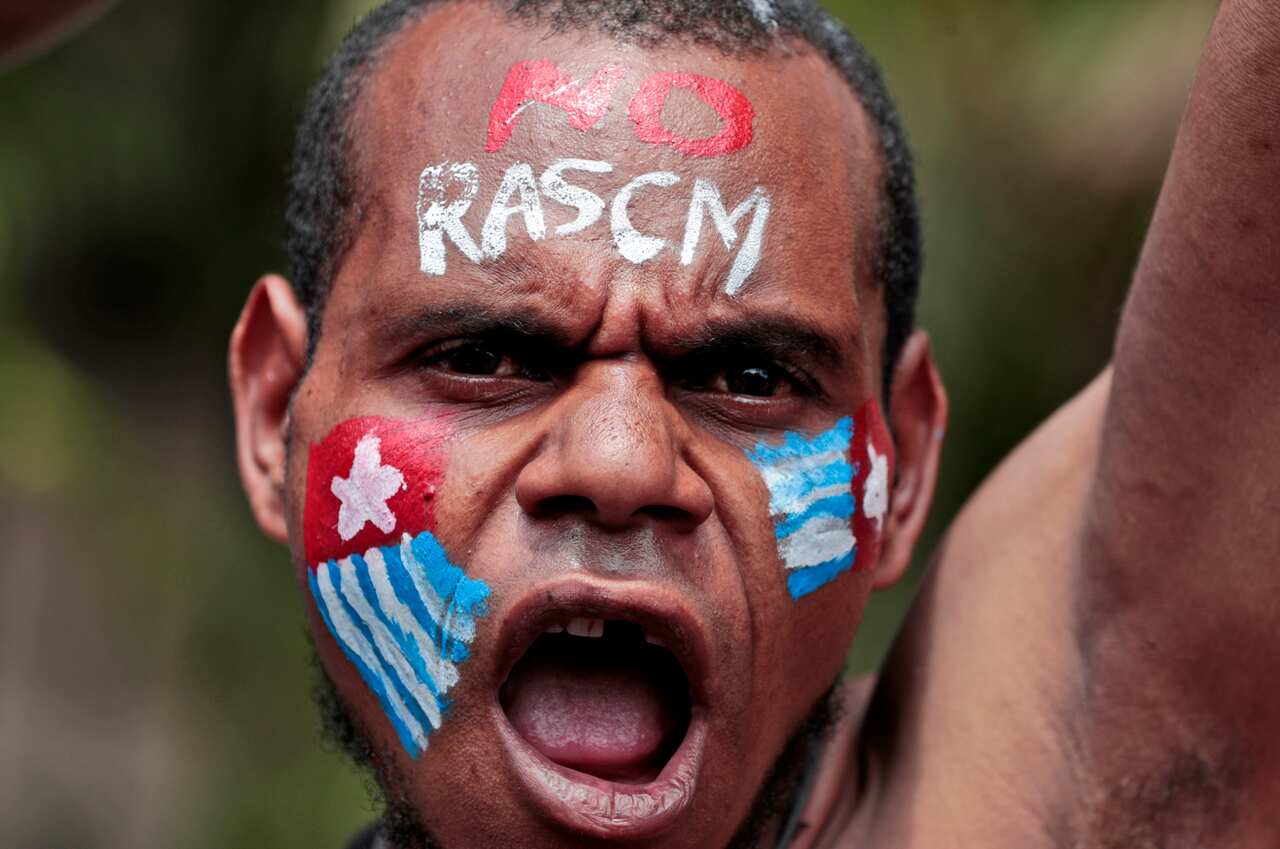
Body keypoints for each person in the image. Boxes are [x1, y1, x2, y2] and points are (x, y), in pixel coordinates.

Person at [227, 0, 1280, 846]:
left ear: (901, 463)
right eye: (483, 358)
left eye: (746, 375)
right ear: (277, 410)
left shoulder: (1020, 795)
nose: (619, 464)